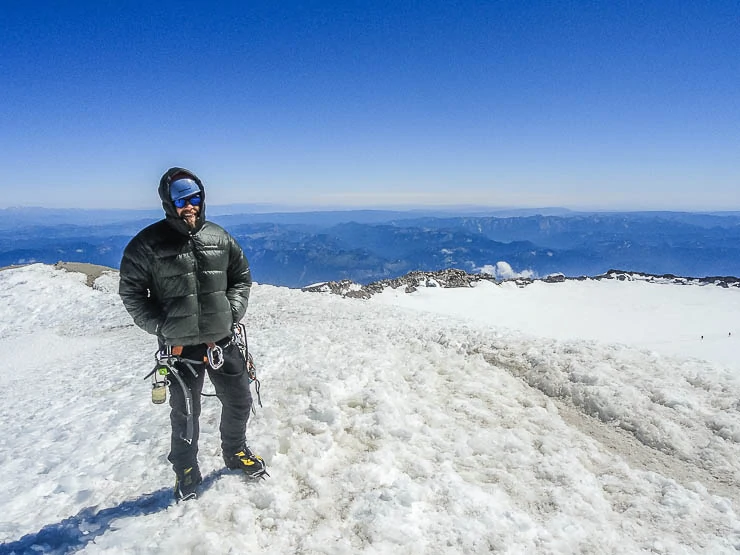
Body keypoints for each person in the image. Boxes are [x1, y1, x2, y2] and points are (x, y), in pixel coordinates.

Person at [119, 167, 266, 501]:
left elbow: (241, 277)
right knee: (185, 413)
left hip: (222, 341)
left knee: (239, 400)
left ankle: (235, 450)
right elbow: (131, 292)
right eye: (182, 200)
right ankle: (186, 471)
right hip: (180, 349)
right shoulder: (147, 245)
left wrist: (231, 312)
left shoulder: (219, 237)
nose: (190, 206)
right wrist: (161, 327)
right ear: (169, 203)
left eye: (195, 198)